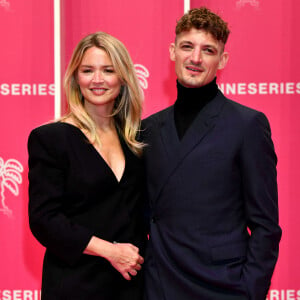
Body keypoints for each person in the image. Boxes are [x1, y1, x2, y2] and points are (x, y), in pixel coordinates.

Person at [141, 7, 282, 300]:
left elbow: (266, 225)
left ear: (223, 59)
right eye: (187, 47)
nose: (195, 58)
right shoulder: (147, 130)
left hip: (223, 287)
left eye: (208, 50)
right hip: (160, 285)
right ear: (172, 51)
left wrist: (249, 291)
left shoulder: (247, 125)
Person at [28, 31, 147, 300]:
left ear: (123, 77)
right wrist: (110, 251)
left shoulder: (137, 140)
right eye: (87, 70)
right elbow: (44, 220)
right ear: (75, 78)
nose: (97, 80)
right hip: (75, 285)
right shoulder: (51, 138)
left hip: (131, 286)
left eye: (108, 70)